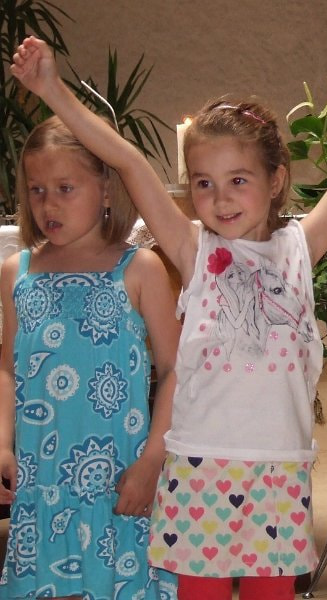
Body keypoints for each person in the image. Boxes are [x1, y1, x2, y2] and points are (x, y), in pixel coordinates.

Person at [10, 35, 327, 600]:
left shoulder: (301, 246)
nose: (220, 199)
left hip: (279, 469)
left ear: (275, 181)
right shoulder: (191, 249)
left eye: (238, 181)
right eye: (203, 183)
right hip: (199, 466)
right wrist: (51, 89)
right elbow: (127, 159)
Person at [0, 104, 180, 599]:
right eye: (37, 190)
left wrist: (153, 460)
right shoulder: (17, 273)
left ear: (104, 189)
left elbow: (175, 369)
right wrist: (3, 443)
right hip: (41, 485)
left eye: (65, 188)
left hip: (119, 483)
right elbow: (8, 370)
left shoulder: (139, 269)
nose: (48, 205)